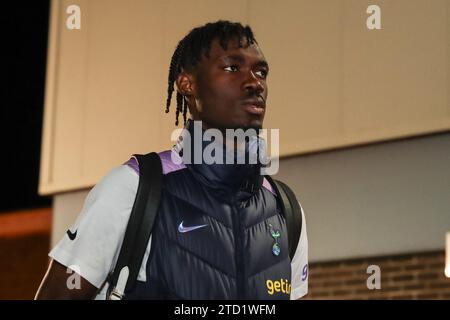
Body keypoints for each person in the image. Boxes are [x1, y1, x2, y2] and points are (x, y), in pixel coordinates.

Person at [35, 20, 308, 300]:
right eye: (232, 67)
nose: (255, 82)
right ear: (187, 83)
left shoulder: (286, 210)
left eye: (261, 71)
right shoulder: (132, 188)